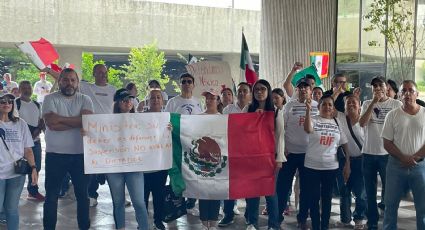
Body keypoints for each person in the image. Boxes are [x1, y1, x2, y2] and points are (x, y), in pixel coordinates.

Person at [42, 68, 93, 230]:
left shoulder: (86, 99)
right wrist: (78, 121)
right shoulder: (49, 98)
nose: (69, 83)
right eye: (65, 79)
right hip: (55, 155)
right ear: (59, 81)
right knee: (51, 197)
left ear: (77, 83)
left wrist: (60, 119)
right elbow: (51, 124)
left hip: (81, 155)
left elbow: (88, 122)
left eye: (72, 80)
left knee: (83, 197)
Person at [358, 76, 402, 230]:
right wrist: (373, 103)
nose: (377, 88)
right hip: (369, 153)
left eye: (380, 85)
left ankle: (390, 223)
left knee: (389, 193)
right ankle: (372, 223)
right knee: (369, 193)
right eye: (374, 86)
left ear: (386, 87)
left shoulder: (396, 104)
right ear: (371, 89)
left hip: (388, 155)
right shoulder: (366, 103)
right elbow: (362, 123)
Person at [102, 88, 149, 230]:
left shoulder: (141, 120)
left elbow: (153, 134)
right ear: (117, 103)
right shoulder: (106, 122)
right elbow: (98, 137)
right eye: (124, 99)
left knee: (139, 203)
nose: (128, 102)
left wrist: (165, 129)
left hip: (134, 166)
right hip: (114, 167)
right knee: (118, 202)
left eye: (130, 99)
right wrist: (87, 132)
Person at [381, 80, 425, 230]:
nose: (407, 93)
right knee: (390, 206)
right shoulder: (392, 115)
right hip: (395, 166)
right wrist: (403, 158)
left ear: (416, 94)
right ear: (399, 95)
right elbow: (387, 143)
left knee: (423, 208)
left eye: (410, 90)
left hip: (420, 167)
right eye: (404, 91)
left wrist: (416, 157)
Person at [304, 95, 351, 230]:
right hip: (312, 166)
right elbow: (307, 129)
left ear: (333, 108)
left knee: (327, 199)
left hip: (331, 167)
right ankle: (315, 226)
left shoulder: (337, 122)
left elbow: (345, 143)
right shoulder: (313, 119)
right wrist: (307, 111)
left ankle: (324, 226)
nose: (327, 107)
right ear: (319, 107)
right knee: (313, 199)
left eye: (330, 105)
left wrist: (348, 162)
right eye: (324, 104)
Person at [244, 79, 285, 230]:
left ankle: (273, 224)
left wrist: (279, 158)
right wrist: (253, 118)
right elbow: (242, 132)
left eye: (263, 89)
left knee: (270, 193)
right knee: (252, 192)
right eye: (256, 90)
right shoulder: (247, 110)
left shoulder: (276, 111)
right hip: (251, 158)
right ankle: (252, 223)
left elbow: (280, 137)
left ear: (268, 92)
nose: (259, 92)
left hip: (269, 158)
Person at [277, 78, 318, 230]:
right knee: (282, 187)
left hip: (309, 155)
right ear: (297, 90)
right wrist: (283, 148)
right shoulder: (289, 106)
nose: (303, 90)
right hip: (290, 154)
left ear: (311, 90)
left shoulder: (317, 106)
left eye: (306, 87)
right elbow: (282, 128)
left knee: (306, 189)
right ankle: (277, 217)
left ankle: (302, 218)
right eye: (300, 87)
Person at [165, 73, 203, 216]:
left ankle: (191, 202)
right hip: (177, 144)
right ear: (180, 84)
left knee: (194, 172)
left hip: (193, 144)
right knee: (179, 172)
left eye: (189, 81)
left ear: (193, 84)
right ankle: (178, 203)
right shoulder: (173, 102)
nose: (186, 84)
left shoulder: (198, 101)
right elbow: (166, 120)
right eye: (183, 82)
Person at [79, 63, 117, 207]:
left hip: (110, 135)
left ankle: (117, 196)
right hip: (91, 136)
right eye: (100, 72)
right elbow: (65, 79)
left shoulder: (113, 90)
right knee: (92, 167)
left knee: (111, 167)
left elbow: (121, 109)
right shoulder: (86, 87)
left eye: (105, 72)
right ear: (94, 74)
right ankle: (92, 195)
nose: (103, 75)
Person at [0, 92, 38, 230]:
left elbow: (27, 149)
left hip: (16, 173)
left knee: (11, 209)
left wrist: (33, 168)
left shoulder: (20, 124)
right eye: (3, 101)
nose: (6, 104)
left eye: (9, 101)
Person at [219, 82, 252, 227]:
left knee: (250, 185)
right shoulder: (228, 109)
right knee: (230, 185)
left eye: (245, 91)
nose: (242, 93)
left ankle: (250, 215)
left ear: (249, 93)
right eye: (239, 91)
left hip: (250, 153)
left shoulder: (253, 108)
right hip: (231, 151)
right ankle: (228, 214)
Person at [335, 95, 367, 229]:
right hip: (344, 160)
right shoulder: (341, 118)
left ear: (359, 105)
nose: (351, 105)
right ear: (344, 106)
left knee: (360, 192)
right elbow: (327, 103)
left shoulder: (365, 120)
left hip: (361, 161)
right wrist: (337, 91)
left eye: (354, 102)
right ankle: (345, 219)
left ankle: (359, 218)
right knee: (344, 191)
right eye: (348, 103)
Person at [143, 89, 168, 230]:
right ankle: (143, 222)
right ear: (148, 101)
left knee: (159, 196)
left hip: (160, 165)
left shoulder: (167, 118)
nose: (156, 100)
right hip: (144, 166)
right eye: (153, 98)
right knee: (143, 198)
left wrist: (172, 128)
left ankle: (158, 221)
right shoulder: (139, 118)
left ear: (162, 101)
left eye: (158, 97)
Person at [17, 81, 46, 201]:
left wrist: (39, 129)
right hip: (19, 143)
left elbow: (40, 120)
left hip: (35, 141)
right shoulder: (15, 103)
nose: (26, 89)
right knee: (18, 168)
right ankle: (15, 193)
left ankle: (33, 191)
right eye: (23, 87)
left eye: (28, 87)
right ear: (19, 89)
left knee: (36, 167)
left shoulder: (36, 104)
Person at [198, 88, 222, 230]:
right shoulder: (197, 117)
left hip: (218, 158)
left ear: (218, 101)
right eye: (207, 98)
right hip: (202, 158)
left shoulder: (223, 118)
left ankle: (213, 220)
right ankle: (203, 219)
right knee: (203, 189)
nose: (209, 100)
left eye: (212, 98)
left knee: (216, 188)